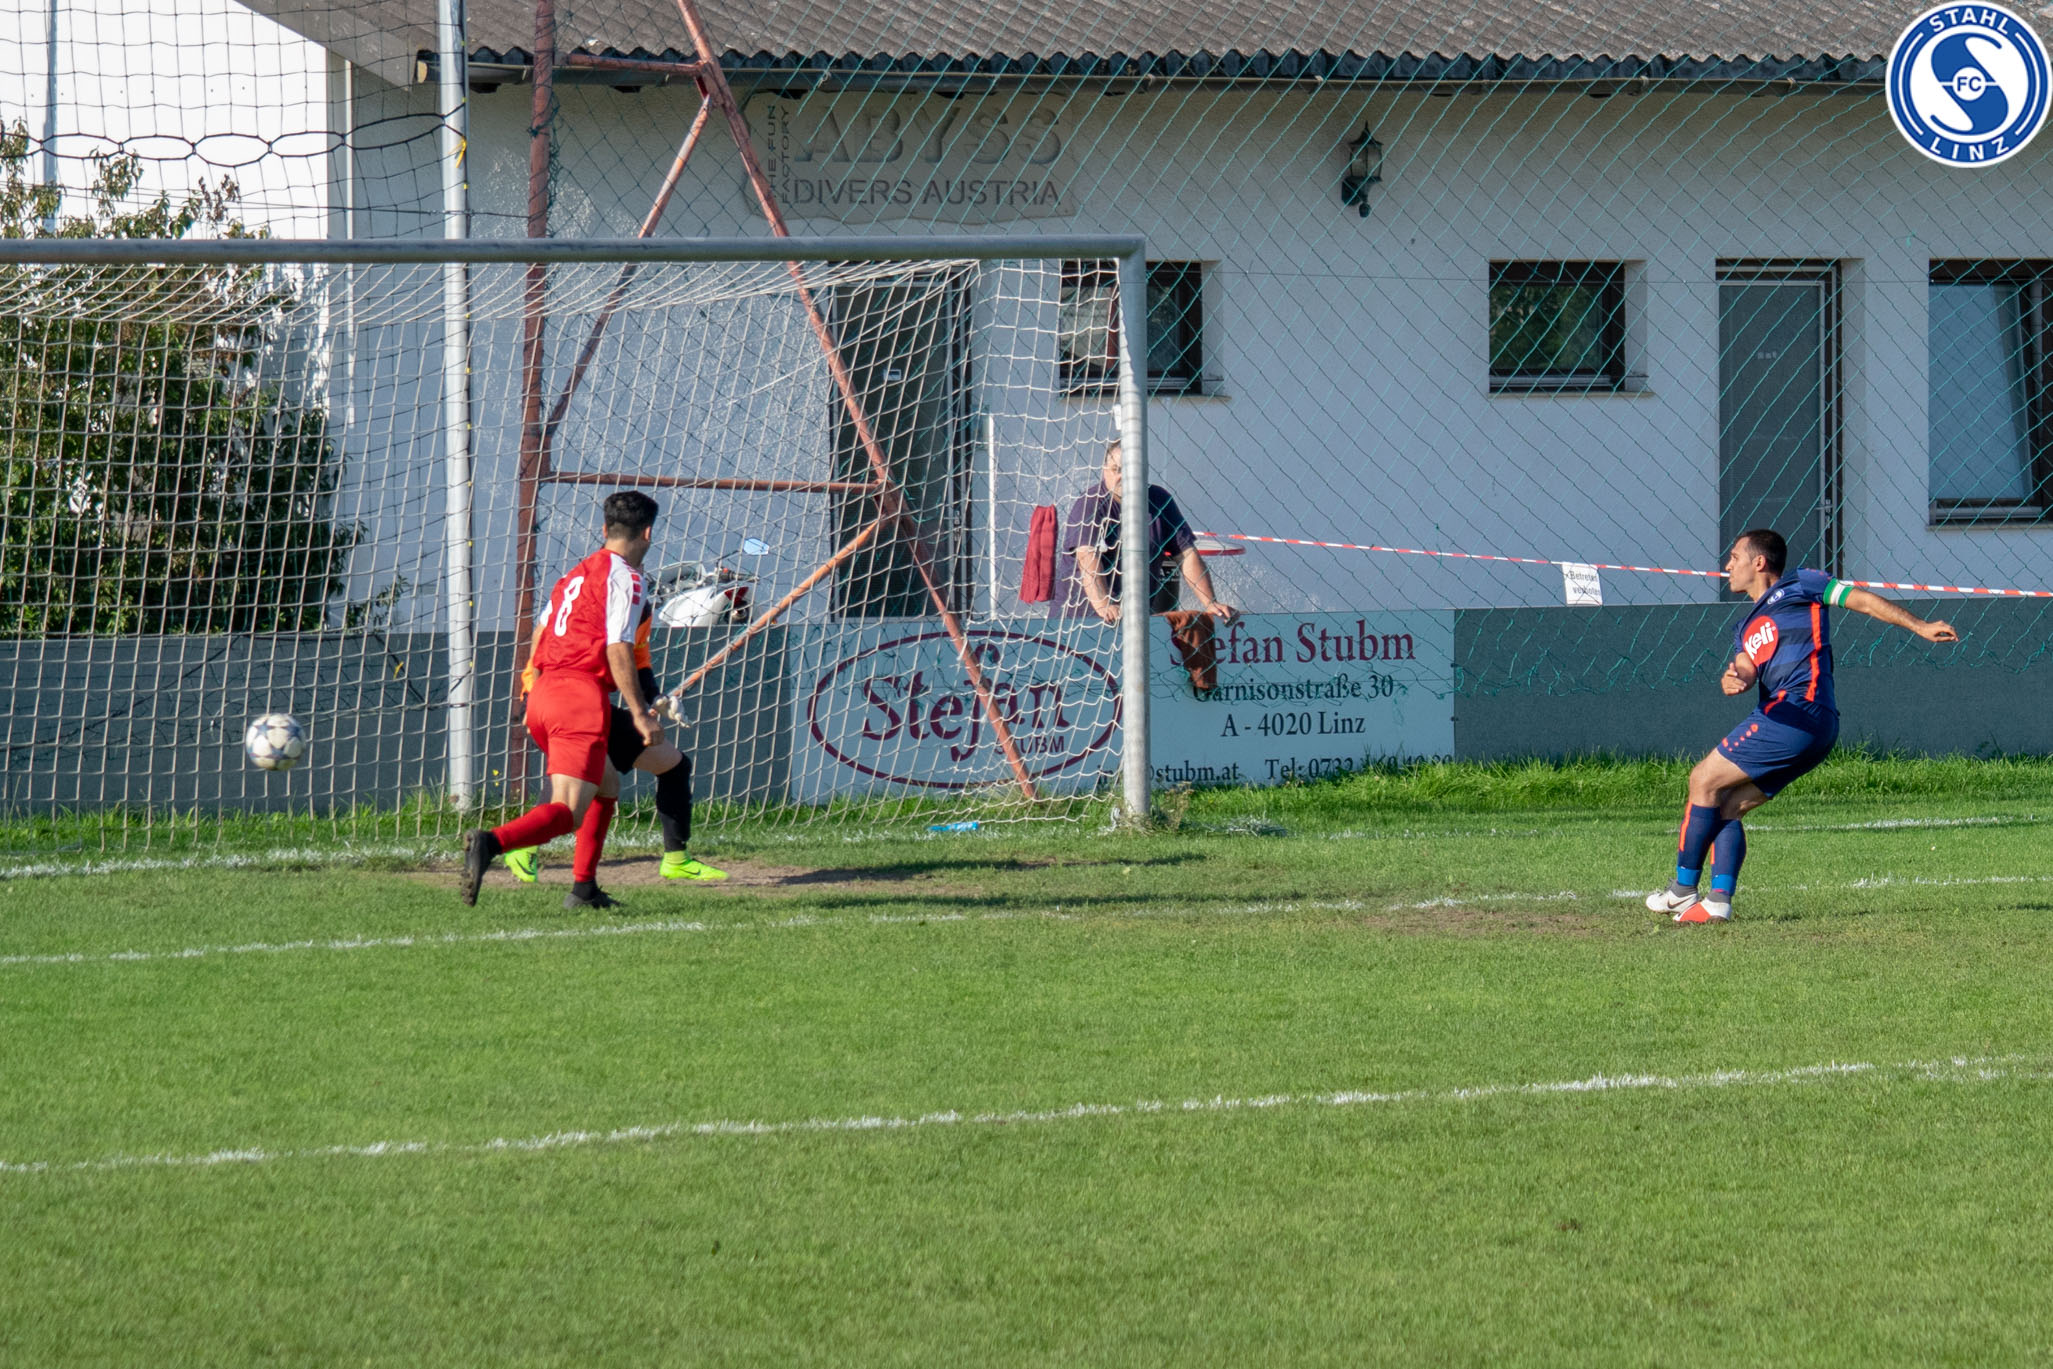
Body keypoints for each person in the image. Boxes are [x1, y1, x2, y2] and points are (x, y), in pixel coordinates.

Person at [1646, 528, 1958, 925]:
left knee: (1702, 780)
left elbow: (1861, 600)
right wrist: (1735, 678)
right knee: (1728, 805)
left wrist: (1919, 626)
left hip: (1796, 711)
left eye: (1735, 557)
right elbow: (1745, 666)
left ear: (1759, 562)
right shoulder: (1744, 626)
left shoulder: (1802, 584)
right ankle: (1718, 902)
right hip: (1809, 727)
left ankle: (1682, 890)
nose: (1727, 565)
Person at [460, 491, 668, 911]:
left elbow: (540, 634)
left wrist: (530, 692)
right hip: (578, 698)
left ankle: (584, 889)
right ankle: (490, 843)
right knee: (569, 811)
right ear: (647, 533)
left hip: (544, 691)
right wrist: (641, 714)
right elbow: (618, 647)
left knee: (607, 784)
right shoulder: (628, 577)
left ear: (605, 529)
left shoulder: (574, 575)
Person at [499, 584, 727, 891]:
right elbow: (541, 648)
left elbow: (639, 662)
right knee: (577, 789)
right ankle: (511, 846)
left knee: (672, 766)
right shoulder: (585, 605)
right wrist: (530, 698)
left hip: (595, 709)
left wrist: (658, 699)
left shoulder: (641, 610)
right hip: (560, 706)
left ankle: (675, 860)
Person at [1061, 440, 1236, 626]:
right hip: (1082, 620)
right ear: (1104, 471)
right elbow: (1087, 558)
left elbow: (1187, 554)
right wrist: (1105, 606)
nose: (1123, 476)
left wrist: (1210, 603)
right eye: (1116, 469)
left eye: (1130, 470)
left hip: (1135, 618)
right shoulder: (1090, 504)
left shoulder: (1159, 500)